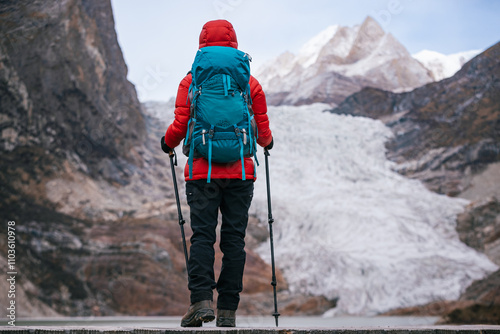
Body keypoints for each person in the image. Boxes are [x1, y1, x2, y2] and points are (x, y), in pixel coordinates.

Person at [160, 19, 273, 327]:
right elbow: (263, 132)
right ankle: (227, 311)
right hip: (241, 175)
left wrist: (166, 143)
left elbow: (181, 125)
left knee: (202, 237)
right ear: (234, 44)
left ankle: (200, 303)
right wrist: (268, 141)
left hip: (201, 173)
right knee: (234, 240)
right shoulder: (248, 82)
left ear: (202, 44)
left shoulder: (191, 81)